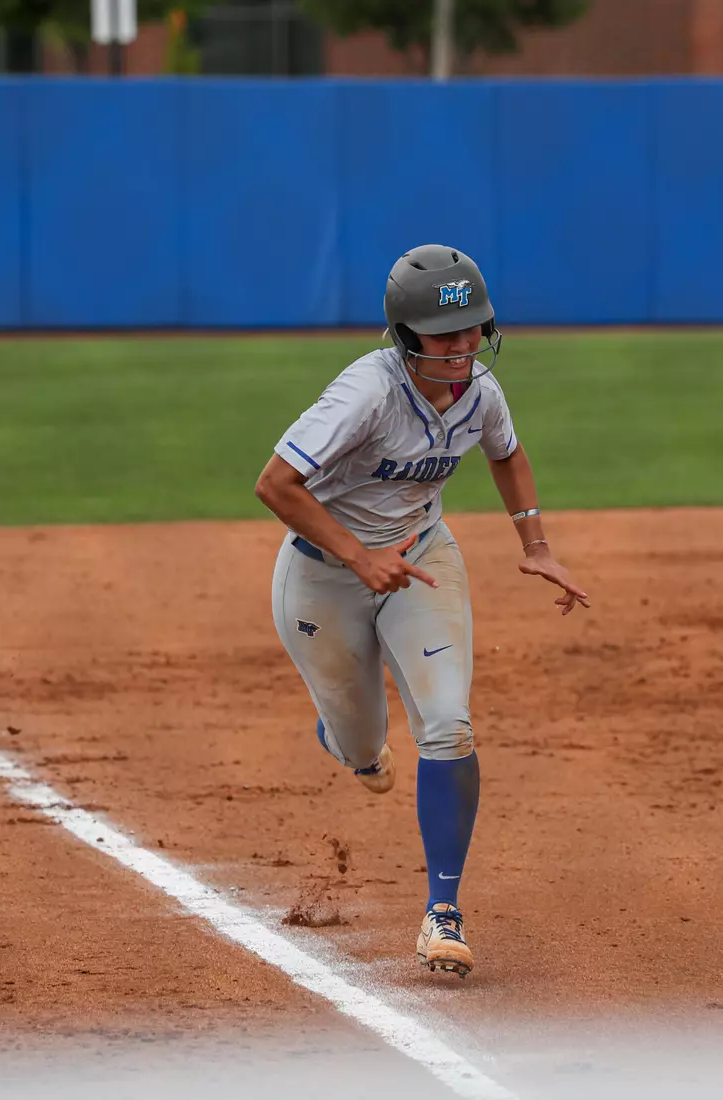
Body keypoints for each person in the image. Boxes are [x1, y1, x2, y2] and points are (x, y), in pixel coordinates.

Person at [255, 245, 590, 975]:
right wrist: (358, 556)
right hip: (321, 576)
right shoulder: (366, 394)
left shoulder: (480, 391)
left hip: (423, 560)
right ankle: (352, 744)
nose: (463, 347)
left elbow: (507, 453)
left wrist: (536, 545)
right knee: (362, 743)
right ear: (407, 337)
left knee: (447, 725)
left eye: (473, 330)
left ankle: (443, 911)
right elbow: (275, 484)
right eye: (445, 336)